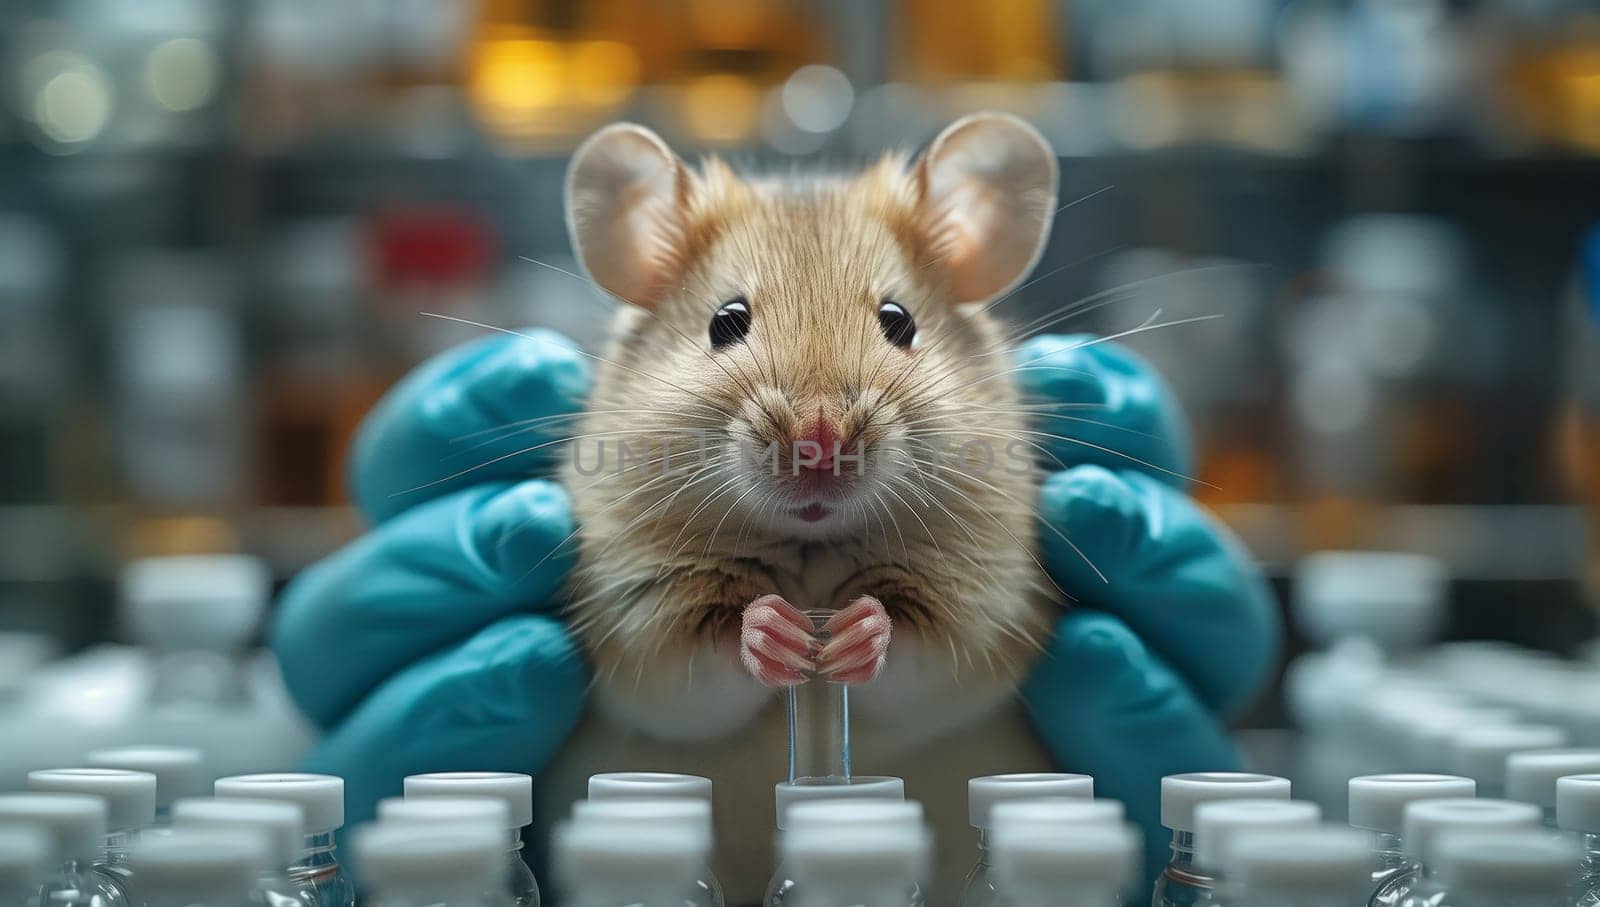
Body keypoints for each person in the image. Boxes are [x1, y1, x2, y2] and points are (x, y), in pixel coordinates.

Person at [271, 329, 1281, 875]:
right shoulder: (617, 475)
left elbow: (966, 674)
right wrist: (715, 649)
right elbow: (652, 691)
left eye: (893, 325)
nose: (818, 432)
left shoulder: (988, 480)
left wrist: (901, 645)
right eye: (730, 325)